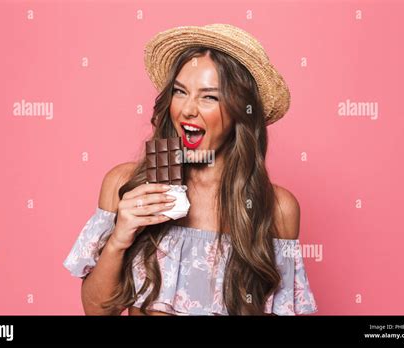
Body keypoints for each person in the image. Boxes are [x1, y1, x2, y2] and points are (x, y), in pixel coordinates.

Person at [64, 23, 318, 316]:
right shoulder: (126, 184)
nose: (187, 109)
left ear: (240, 111)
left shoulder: (277, 208)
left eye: (209, 96)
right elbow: (97, 312)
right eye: (180, 92)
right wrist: (120, 237)